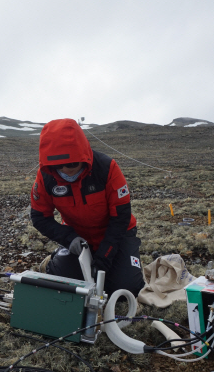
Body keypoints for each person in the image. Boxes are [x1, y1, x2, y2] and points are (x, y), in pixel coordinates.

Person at [30, 118, 145, 295]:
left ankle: (127, 262)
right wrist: (69, 239)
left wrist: (105, 256)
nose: (65, 170)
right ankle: (55, 260)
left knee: (124, 289)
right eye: (58, 165)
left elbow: (121, 216)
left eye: (71, 164)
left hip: (117, 235)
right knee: (68, 286)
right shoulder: (46, 176)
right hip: (77, 238)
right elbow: (40, 217)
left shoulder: (107, 168)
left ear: (83, 155)